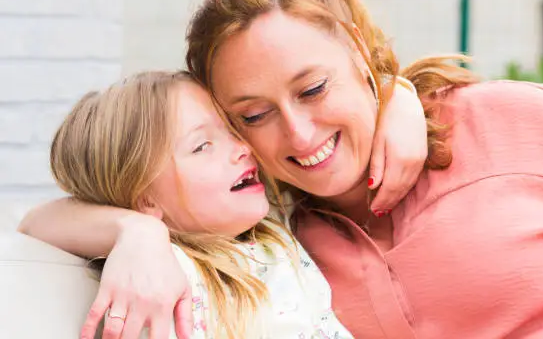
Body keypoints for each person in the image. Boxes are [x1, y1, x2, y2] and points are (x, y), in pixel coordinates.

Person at [22, 0, 543, 339]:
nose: (299, 135)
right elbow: (40, 218)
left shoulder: (506, 125)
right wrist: (135, 230)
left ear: (357, 49)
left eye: (312, 90)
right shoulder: (280, 227)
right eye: (253, 116)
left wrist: (397, 92)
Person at [44, 70, 360, 338]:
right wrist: (138, 232)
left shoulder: (268, 234)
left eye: (232, 129)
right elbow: (34, 223)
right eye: (203, 145)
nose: (242, 147)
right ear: (145, 199)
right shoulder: (164, 272)